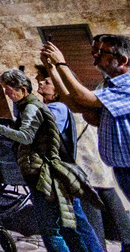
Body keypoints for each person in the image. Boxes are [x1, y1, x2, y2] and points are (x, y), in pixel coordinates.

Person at [0, 69, 102, 252]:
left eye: (47, 81)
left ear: (57, 91)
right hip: (45, 173)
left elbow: (31, 136)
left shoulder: (57, 108)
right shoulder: (37, 106)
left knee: (64, 226)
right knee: (68, 224)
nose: (41, 83)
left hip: (52, 174)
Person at [35, 65, 130, 251]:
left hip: (84, 161)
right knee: (108, 200)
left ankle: (101, 247)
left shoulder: (63, 106)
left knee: (92, 205)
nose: (39, 82)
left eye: (45, 80)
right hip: (94, 162)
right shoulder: (67, 103)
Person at [42, 34, 130, 201]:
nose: (96, 55)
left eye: (103, 52)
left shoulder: (127, 84)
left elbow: (84, 98)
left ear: (122, 60)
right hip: (123, 168)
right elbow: (76, 105)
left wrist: (61, 64)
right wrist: (52, 69)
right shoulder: (109, 86)